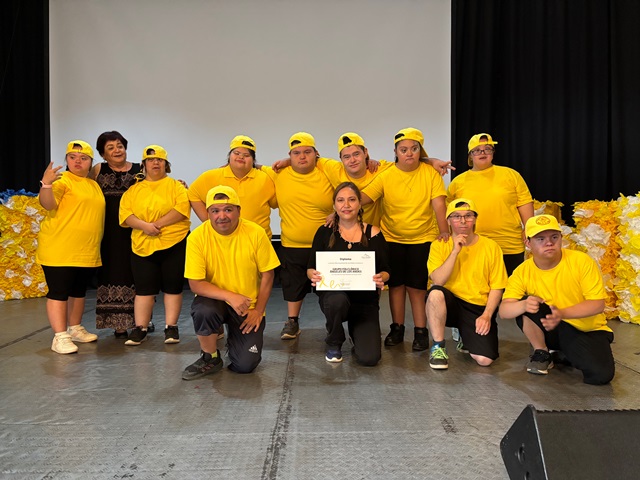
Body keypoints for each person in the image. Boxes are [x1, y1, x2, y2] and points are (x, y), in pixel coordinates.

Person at [498, 215, 615, 385]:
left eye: (554, 237)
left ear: (561, 238)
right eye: (540, 239)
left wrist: (562, 313)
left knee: (600, 376)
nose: (549, 243)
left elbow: (597, 305)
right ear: (528, 243)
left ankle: (562, 354)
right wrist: (523, 304)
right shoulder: (522, 272)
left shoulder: (581, 261)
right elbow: (504, 311)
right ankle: (542, 351)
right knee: (526, 304)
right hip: (551, 326)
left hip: (586, 329)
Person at [361, 128, 449, 351]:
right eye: (403, 150)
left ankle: (421, 331)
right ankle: (397, 328)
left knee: (417, 288)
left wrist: (444, 231)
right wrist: (341, 204)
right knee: (396, 286)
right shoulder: (386, 174)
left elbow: (439, 204)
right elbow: (364, 197)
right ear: (395, 152)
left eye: (414, 149)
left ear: (420, 151)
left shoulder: (430, 174)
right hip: (392, 239)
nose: (409, 153)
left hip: (422, 238)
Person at [182, 185, 280, 380]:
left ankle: (235, 342)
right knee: (203, 310)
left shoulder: (256, 232)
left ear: (238, 211)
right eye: (215, 211)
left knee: (244, 366)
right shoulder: (197, 237)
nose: (222, 216)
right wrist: (230, 296)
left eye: (228, 209)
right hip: (215, 301)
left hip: (247, 307)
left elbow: (268, 275)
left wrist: (258, 311)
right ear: (208, 213)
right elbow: (196, 284)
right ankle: (210, 357)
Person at [272, 132, 453, 226]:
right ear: (340, 159)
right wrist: (288, 161)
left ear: (366, 152)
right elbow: (308, 158)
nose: (352, 160)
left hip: (373, 235)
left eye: (357, 154)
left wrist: (432, 161)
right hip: (344, 234)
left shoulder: (380, 169)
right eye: (346, 156)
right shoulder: (333, 168)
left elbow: (406, 160)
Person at [307, 182, 390, 365]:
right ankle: (334, 341)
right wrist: (313, 275)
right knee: (337, 300)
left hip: (364, 301)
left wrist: (381, 277)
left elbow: (386, 270)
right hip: (334, 298)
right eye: (341, 200)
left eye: (352, 200)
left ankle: (356, 332)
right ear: (334, 205)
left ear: (359, 204)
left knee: (369, 359)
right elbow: (310, 267)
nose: (346, 205)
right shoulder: (324, 232)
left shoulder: (374, 233)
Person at [263, 132, 334, 340]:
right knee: (293, 286)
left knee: (328, 289)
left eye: (307, 152)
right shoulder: (278, 173)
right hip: (292, 244)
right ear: (290, 155)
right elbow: (253, 167)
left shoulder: (327, 173)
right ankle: (292, 322)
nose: (302, 156)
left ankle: (333, 323)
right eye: (296, 153)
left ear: (316, 154)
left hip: (325, 245)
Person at [36, 140, 105, 354]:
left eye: (83, 158)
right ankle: (60, 336)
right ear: (66, 159)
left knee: (78, 291)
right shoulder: (62, 180)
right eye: (73, 157)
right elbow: (48, 204)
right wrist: (46, 185)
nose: (78, 161)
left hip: (85, 250)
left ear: (90, 162)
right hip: (59, 249)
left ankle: (74, 328)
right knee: (59, 292)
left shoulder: (93, 184)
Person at [119, 145, 191, 346]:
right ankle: (140, 328)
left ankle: (171, 327)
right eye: (151, 160)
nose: (155, 163)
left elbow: (181, 210)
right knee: (144, 289)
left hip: (174, 242)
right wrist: (145, 227)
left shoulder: (176, 187)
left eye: (160, 160)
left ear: (166, 164)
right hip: (142, 245)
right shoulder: (133, 190)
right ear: (144, 164)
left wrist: (156, 225)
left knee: (173, 287)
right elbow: (126, 215)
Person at [425, 198, 507, 369]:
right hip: (450, 303)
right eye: (456, 216)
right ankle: (438, 346)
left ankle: (465, 335)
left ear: (475, 219)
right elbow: (438, 280)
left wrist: (487, 315)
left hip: (476, 307)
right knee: (435, 293)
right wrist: (455, 251)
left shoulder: (491, 247)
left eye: (468, 216)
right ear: (448, 221)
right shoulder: (439, 245)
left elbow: (497, 286)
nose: (463, 221)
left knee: (485, 360)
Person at [447, 133, 533, 275]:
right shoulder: (458, 182)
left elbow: (524, 202)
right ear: (470, 156)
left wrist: (529, 227)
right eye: (477, 150)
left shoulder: (511, 175)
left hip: (509, 244)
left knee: (510, 287)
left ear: (493, 153)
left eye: (487, 149)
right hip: (472, 244)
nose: (482, 153)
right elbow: (449, 212)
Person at [91, 131, 144, 338]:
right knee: (112, 274)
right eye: (110, 147)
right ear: (103, 154)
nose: (116, 150)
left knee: (137, 276)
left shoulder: (140, 170)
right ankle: (118, 325)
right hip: (108, 235)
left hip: (136, 233)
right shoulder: (98, 170)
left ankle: (141, 321)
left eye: (120, 146)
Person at [188, 135, 277, 236]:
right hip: (223, 239)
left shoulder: (265, 178)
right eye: (236, 153)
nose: (241, 157)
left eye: (246, 155)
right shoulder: (211, 176)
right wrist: (209, 220)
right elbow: (192, 193)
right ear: (229, 156)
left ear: (253, 160)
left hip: (258, 239)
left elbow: (278, 202)